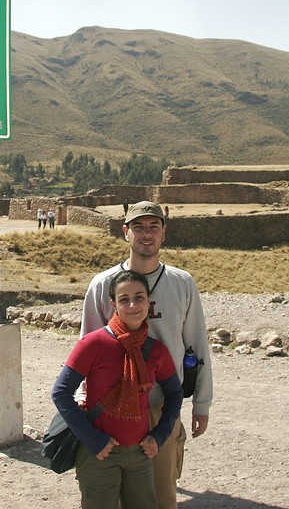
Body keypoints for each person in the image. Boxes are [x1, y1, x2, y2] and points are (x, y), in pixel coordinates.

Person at [81, 201, 213, 509]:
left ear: (164, 232)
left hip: (161, 406)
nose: (146, 234)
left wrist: (202, 404)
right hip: (111, 406)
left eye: (154, 227)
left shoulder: (182, 283)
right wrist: (84, 405)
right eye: (138, 227)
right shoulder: (103, 285)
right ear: (125, 232)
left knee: (161, 496)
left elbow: (196, 345)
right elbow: (87, 347)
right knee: (108, 494)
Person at [54, 270, 182, 509]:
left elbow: (175, 394)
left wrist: (160, 435)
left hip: (139, 455)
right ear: (113, 304)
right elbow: (61, 393)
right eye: (124, 299)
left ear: (149, 301)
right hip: (99, 454)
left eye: (139, 297)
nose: (133, 305)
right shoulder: (93, 344)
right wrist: (93, 439)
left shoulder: (156, 351)